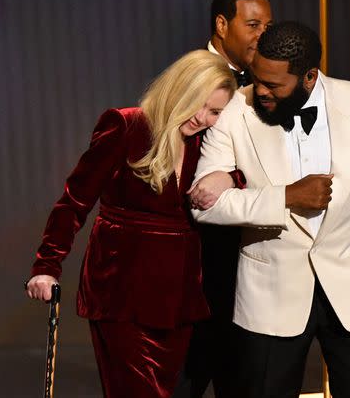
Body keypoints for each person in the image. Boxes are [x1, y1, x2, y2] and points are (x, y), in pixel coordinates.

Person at [189, 22, 350, 398]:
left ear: (309, 76)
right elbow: (206, 207)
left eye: (273, 85)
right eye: (257, 78)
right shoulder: (236, 112)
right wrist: (285, 197)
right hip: (269, 297)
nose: (260, 91)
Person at [24, 50, 237, 398]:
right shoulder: (127, 125)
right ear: (178, 91)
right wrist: (46, 266)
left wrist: (229, 178)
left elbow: (243, 181)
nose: (202, 117)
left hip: (179, 295)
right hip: (121, 289)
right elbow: (75, 201)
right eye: (197, 104)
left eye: (214, 112)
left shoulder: (209, 143)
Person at [173, 0, 273, 398]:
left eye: (267, 25)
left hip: (250, 255)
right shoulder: (188, 76)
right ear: (221, 24)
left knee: (243, 379)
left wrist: (233, 178)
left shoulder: (270, 82)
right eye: (252, 24)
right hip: (193, 255)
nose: (262, 35)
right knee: (187, 375)